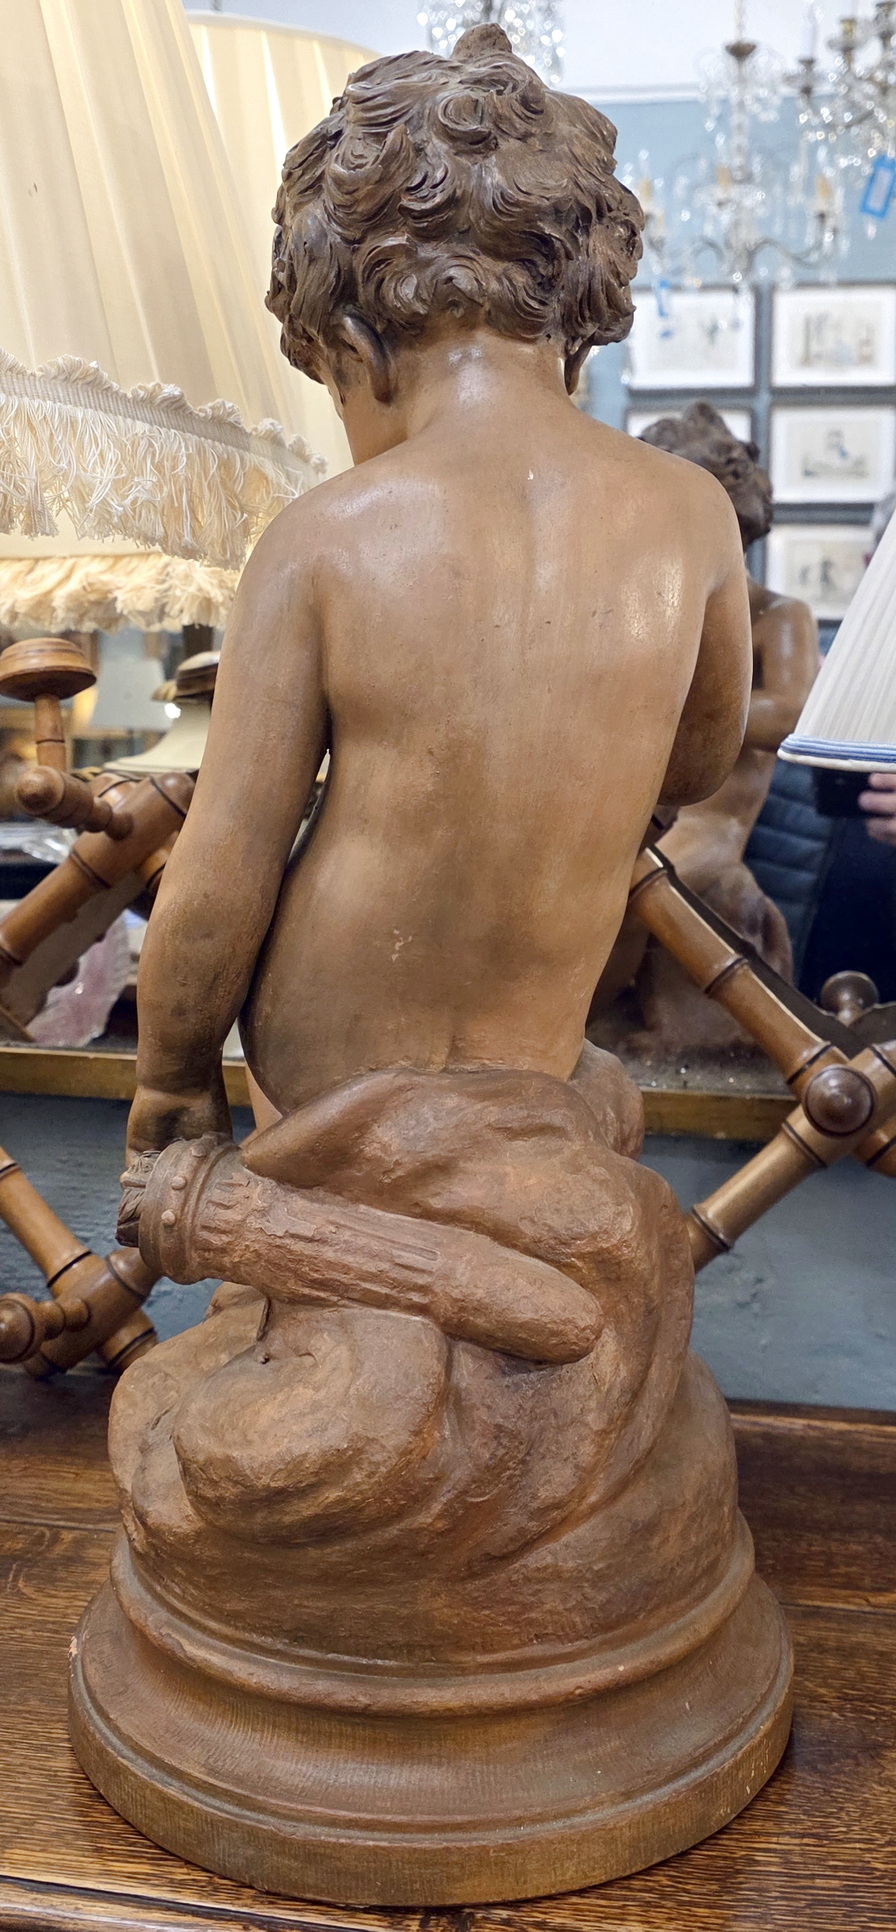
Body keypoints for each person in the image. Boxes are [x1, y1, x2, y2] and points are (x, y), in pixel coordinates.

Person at [126, 24, 751, 1154]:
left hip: (328, 1078)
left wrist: (170, 1082)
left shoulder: (321, 539)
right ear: (575, 336)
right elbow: (697, 765)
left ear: (355, 345)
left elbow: (223, 870)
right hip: (534, 1063)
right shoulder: (692, 515)